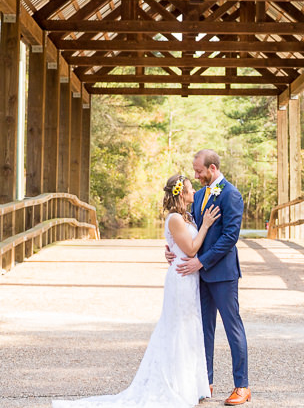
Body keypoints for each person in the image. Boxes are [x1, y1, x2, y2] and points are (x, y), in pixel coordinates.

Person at [52, 174, 220, 408]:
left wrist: (174, 246)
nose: (194, 192)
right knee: (177, 330)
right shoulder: (175, 219)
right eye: (190, 190)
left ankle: (191, 385)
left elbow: (180, 246)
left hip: (190, 279)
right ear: (181, 194)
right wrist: (206, 226)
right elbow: (191, 249)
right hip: (181, 280)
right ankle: (174, 385)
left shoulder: (187, 217)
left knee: (190, 330)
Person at [170, 149, 251, 406]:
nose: (196, 175)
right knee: (204, 329)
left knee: (232, 328)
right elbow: (189, 228)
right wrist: (171, 248)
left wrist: (201, 260)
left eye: (199, 171)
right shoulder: (201, 194)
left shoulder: (231, 195)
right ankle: (206, 383)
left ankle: (242, 386)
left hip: (223, 275)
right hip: (199, 276)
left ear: (212, 169)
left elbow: (230, 238)